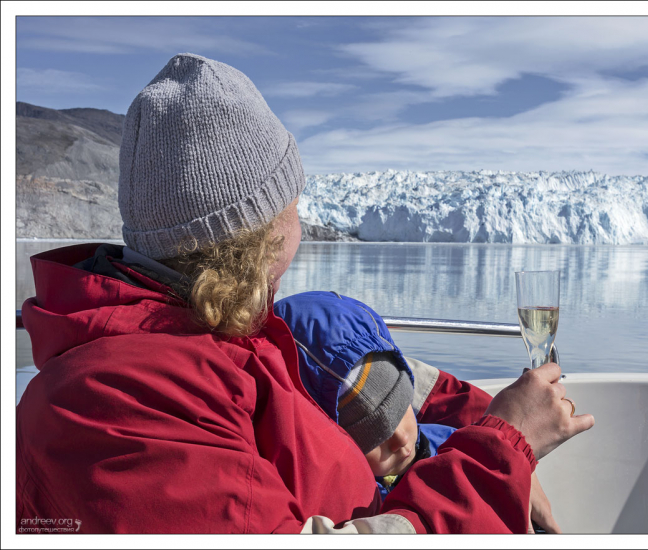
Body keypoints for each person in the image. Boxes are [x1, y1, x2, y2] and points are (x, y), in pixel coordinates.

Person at [16, 53, 594, 534]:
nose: (298, 218)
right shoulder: (116, 406)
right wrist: (500, 453)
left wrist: (497, 428)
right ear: (261, 229)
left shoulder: (223, 338)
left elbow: (405, 385)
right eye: (292, 200)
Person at [274, 291, 459, 501]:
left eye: (401, 409)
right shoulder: (355, 510)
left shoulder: (452, 445)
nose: (401, 439)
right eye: (374, 437)